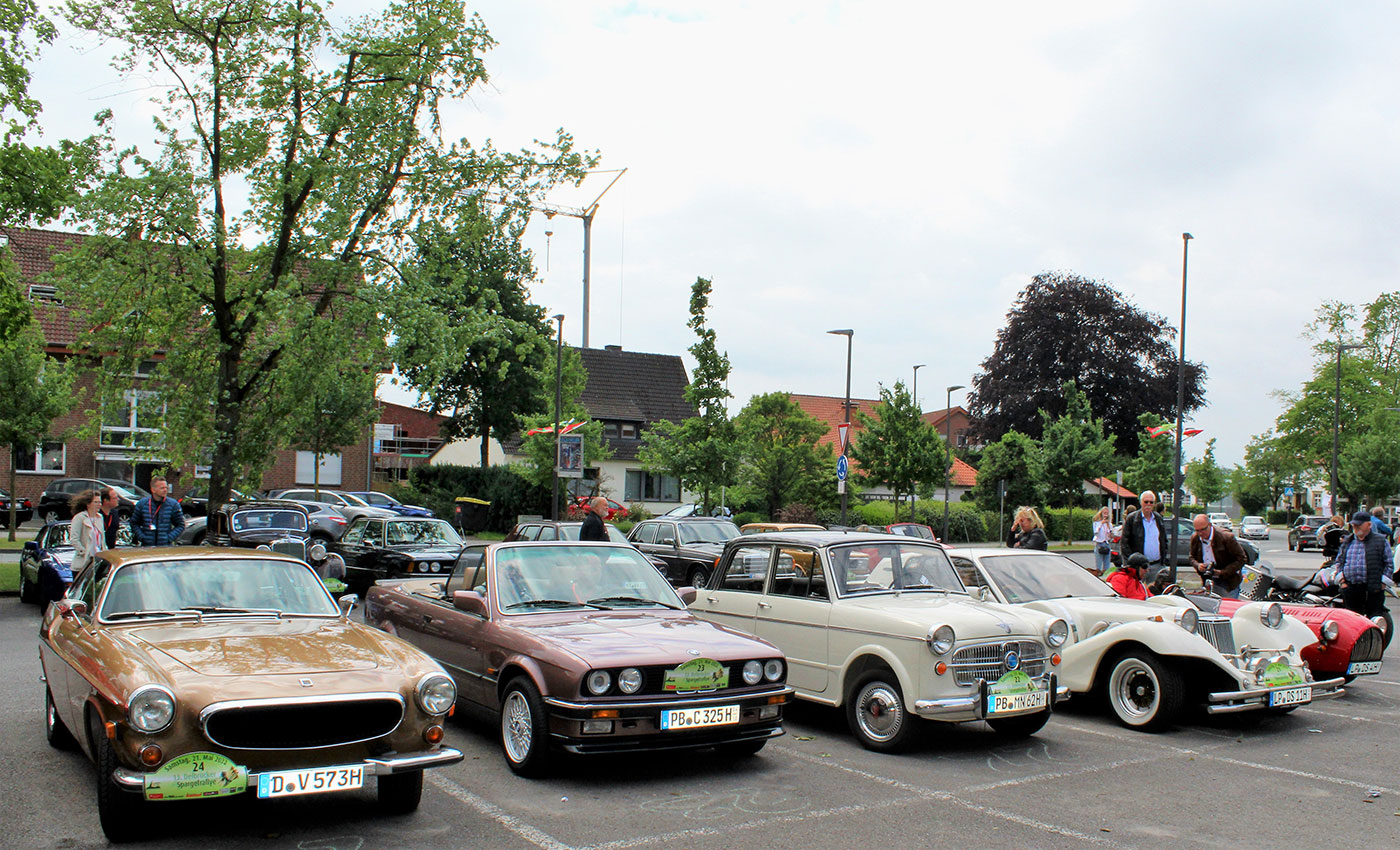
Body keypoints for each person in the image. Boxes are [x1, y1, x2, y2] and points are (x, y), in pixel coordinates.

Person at [1335, 511, 1393, 618]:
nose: (1356, 527)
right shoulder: (1348, 541)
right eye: (1354, 525)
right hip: (1351, 588)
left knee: (1374, 618)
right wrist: (1342, 581)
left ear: (1369, 525)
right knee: (1353, 620)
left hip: (1373, 589)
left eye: (1359, 525)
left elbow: (1389, 563)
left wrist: (1382, 583)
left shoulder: (1380, 541)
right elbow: (1339, 561)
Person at [1189, 513, 1248, 598]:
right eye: (1197, 530)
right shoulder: (1195, 538)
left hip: (1229, 582)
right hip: (1208, 581)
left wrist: (1222, 572)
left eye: (1203, 529)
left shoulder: (1226, 537)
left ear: (1210, 525)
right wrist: (1198, 565)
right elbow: (1191, 557)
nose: (1201, 533)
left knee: (1227, 608)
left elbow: (1242, 559)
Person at [64, 490, 106, 603]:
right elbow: (74, 539)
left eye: (100, 502)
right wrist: (84, 551)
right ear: (88, 504)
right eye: (96, 502)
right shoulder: (80, 518)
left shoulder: (99, 518)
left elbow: (102, 540)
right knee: (80, 592)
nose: (99, 505)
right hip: (83, 562)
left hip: (97, 561)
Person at [1120, 490, 1168, 582]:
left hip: (1156, 565)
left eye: (1151, 502)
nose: (1148, 504)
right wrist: (1129, 564)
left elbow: (1164, 540)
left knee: (1154, 593)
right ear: (1141, 503)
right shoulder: (1132, 519)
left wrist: (1163, 560)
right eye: (1146, 502)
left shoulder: (1158, 519)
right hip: (1139, 567)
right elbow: (1125, 543)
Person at [130, 476, 185, 546]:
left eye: (166, 488)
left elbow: (180, 525)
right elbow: (134, 523)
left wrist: (169, 538)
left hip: (165, 547)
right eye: (162, 488)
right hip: (147, 547)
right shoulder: (142, 504)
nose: (165, 490)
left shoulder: (173, 504)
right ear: (153, 490)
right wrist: (142, 537)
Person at [1091, 507, 1113, 576]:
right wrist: (1101, 524)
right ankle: (1098, 574)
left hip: (1107, 543)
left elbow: (1111, 534)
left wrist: (1110, 531)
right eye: (1104, 513)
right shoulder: (1096, 523)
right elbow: (1096, 532)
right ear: (1101, 514)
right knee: (1099, 562)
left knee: (1107, 563)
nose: (1106, 515)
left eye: (1107, 513)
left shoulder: (1109, 524)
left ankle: (1106, 574)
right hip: (1099, 544)